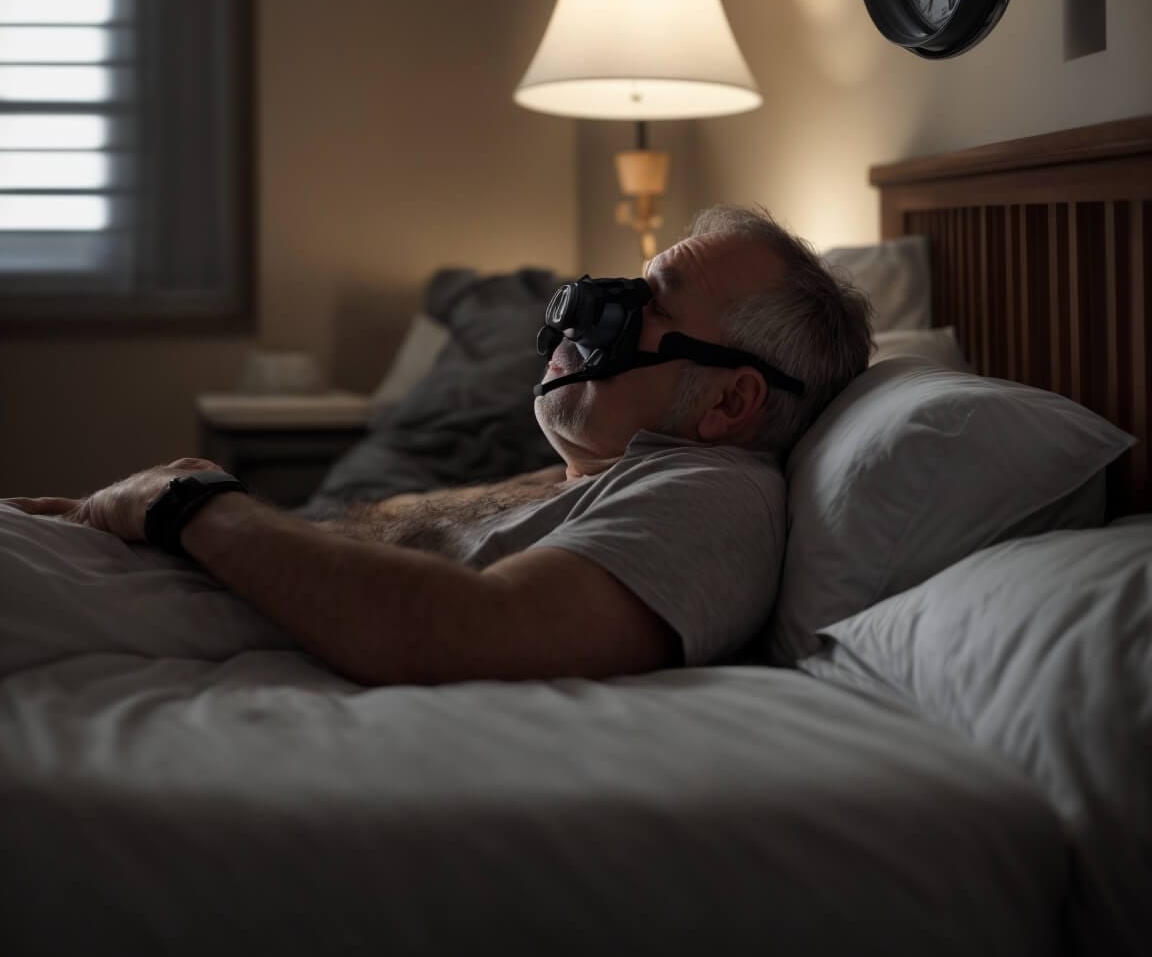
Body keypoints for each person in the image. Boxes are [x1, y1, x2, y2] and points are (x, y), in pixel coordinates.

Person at [2, 206, 871, 685]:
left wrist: (187, 500)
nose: (595, 308)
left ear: (730, 400)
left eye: (653, 301)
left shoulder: (714, 496)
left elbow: (469, 631)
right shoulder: (595, 479)